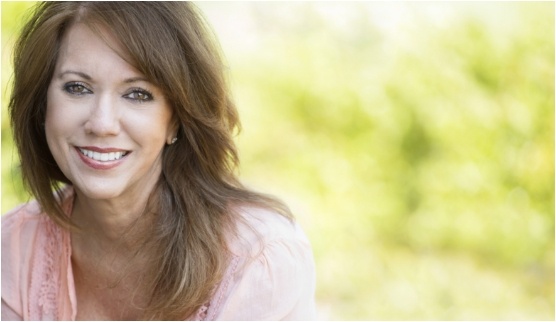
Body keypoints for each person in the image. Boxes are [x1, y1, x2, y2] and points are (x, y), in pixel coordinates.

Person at [1, 2, 316, 320]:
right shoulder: (12, 250)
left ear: (175, 119)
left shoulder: (258, 257)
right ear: (43, 106)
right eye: (77, 88)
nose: (102, 123)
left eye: (137, 94)